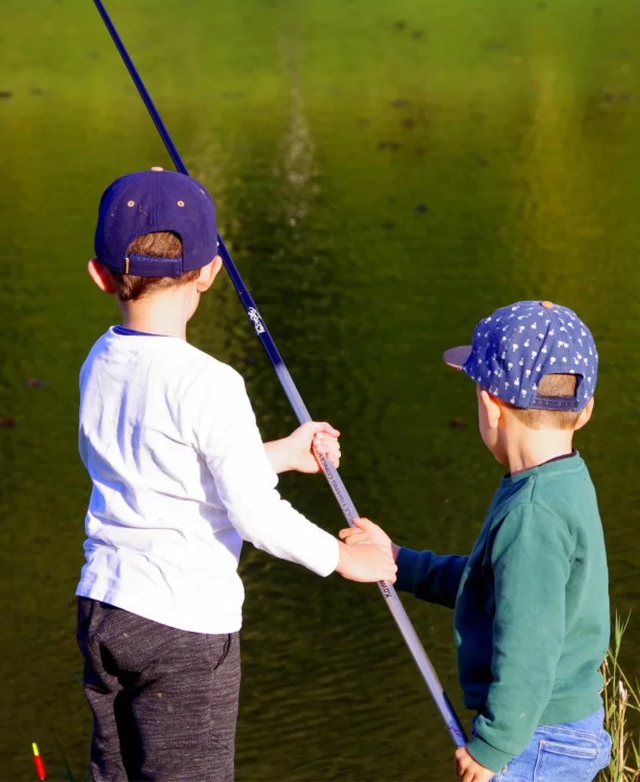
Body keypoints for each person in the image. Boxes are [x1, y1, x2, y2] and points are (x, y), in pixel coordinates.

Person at [76, 167, 396, 782]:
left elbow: (157, 469)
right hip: (185, 627)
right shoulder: (211, 382)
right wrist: (341, 557)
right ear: (210, 272)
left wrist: (275, 453)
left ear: (100, 275)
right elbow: (253, 514)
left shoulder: (98, 361)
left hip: (104, 606)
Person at [341, 300, 611, 782]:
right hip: (556, 726)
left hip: (535, 738)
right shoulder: (562, 482)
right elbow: (495, 586)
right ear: (585, 410)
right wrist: (401, 561)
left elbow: (528, 648)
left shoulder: (532, 513)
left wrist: (492, 747)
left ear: (489, 405)